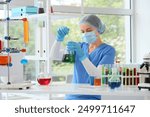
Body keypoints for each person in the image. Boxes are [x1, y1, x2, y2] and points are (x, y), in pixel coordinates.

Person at [50, 15, 115, 100]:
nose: (85, 34)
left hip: (91, 98)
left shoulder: (108, 50)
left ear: (98, 30)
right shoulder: (80, 46)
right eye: (82, 31)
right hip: (71, 97)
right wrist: (58, 39)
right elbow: (54, 56)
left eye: (89, 30)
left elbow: (97, 75)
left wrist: (82, 56)